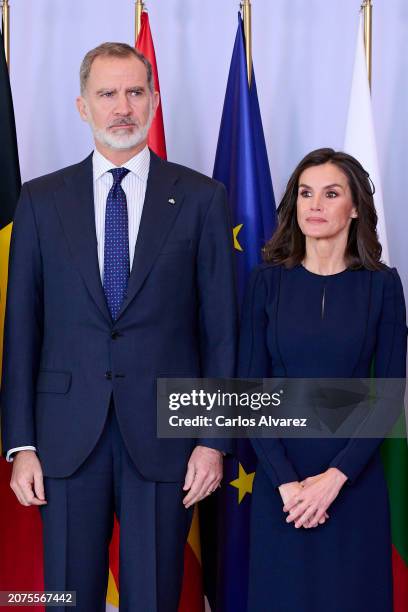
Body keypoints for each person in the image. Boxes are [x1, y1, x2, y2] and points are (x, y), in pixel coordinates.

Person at [1, 42, 237, 611]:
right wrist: (21, 444)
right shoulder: (39, 201)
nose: (122, 106)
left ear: (154, 101)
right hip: (63, 439)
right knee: (64, 595)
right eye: (107, 93)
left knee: (153, 597)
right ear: (83, 106)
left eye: (135, 92)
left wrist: (212, 440)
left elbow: (223, 331)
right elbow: (22, 331)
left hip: (166, 437)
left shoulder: (203, 199)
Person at [239, 148, 407, 612]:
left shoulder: (383, 286)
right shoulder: (265, 283)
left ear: (354, 208)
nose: (314, 204)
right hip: (280, 486)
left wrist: (335, 479)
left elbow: (390, 396)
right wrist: (289, 485)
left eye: (330, 194)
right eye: (305, 193)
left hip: (352, 480)